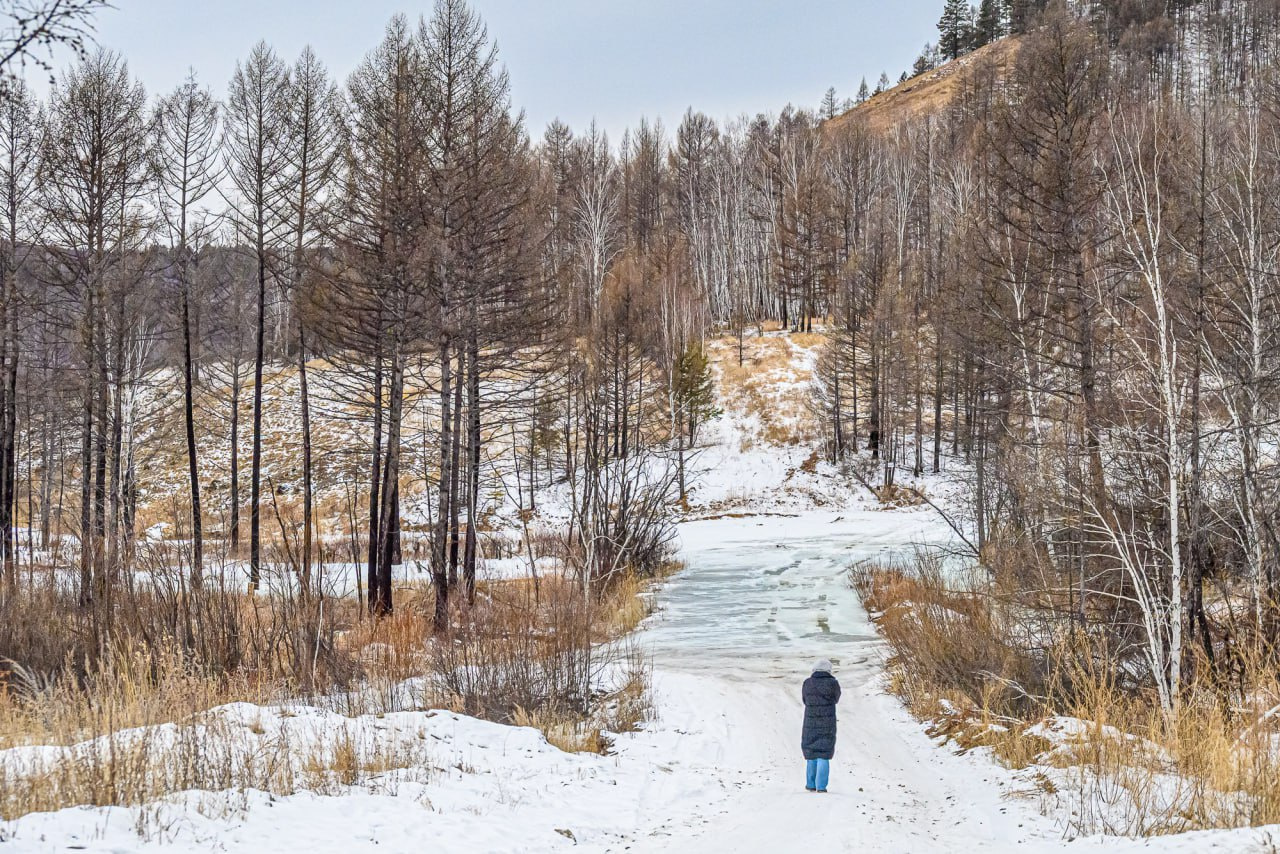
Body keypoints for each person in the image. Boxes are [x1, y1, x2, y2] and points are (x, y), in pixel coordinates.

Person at [801, 659, 842, 793]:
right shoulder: (833, 683)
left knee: (811, 752)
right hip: (827, 721)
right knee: (824, 753)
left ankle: (810, 784)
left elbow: (805, 700)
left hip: (810, 722)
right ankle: (822, 786)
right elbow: (836, 698)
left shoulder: (807, 683)